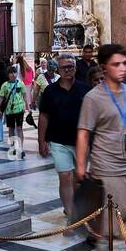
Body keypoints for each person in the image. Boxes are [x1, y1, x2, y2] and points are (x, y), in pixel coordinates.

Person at [75, 42, 126, 251]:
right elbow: (83, 133)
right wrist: (81, 166)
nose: (123, 68)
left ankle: (107, 237)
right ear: (103, 67)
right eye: (116, 64)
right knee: (114, 210)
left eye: (125, 63)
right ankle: (103, 242)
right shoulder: (93, 98)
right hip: (106, 164)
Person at [38, 55, 89, 219]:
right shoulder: (50, 91)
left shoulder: (84, 89)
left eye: (71, 66)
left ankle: (77, 205)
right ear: (58, 70)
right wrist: (41, 141)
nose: (68, 70)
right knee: (65, 175)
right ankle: (70, 210)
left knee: (78, 177)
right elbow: (44, 116)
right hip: (58, 141)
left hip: (80, 142)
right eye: (64, 67)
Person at [0, 65, 27, 157]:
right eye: (11, 73)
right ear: (8, 74)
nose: (13, 74)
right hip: (9, 111)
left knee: (19, 128)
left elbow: (24, 95)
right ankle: (12, 147)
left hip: (19, 109)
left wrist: (27, 106)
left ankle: (21, 148)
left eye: (15, 72)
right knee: (11, 129)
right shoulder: (5, 85)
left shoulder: (20, 84)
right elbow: (1, 97)